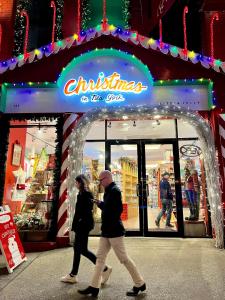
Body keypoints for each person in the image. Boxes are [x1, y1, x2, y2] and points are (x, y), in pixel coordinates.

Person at [78, 170, 146, 297]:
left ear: (107, 178)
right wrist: (101, 204)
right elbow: (110, 207)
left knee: (124, 259)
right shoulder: (109, 191)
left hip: (114, 231)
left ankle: (140, 283)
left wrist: (105, 208)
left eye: (100, 180)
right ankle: (94, 286)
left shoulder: (114, 191)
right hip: (107, 231)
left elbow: (117, 210)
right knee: (100, 259)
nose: (100, 183)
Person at [61, 174, 111, 284]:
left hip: (82, 225)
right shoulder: (85, 193)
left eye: (76, 182)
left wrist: (75, 225)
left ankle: (75, 274)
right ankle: (75, 274)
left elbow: (80, 212)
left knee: (80, 249)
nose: (75, 184)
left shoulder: (84, 194)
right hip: (84, 224)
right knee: (80, 249)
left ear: (80, 183)